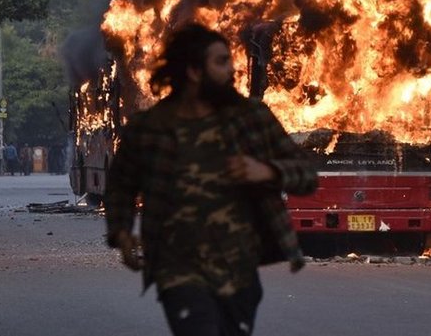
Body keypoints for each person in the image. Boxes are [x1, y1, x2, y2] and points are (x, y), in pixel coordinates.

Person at [105, 23, 317, 336]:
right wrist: (121, 232)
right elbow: (121, 184)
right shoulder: (150, 127)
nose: (232, 69)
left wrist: (268, 171)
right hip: (177, 268)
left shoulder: (251, 117)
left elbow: (306, 175)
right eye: (221, 61)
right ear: (193, 70)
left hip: (239, 269)